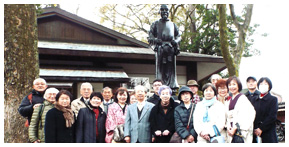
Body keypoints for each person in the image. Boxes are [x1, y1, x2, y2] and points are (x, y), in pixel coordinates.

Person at [148, 4, 181, 90]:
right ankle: (160, 85)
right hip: (160, 48)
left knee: (170, 69)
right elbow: (150, 36)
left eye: (166, 10)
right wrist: (155, 40)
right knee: (160, 68)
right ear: (160, 12)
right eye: (162, 10)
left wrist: (176, 41)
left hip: (170, 48)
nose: (164, 12)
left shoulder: (173, 24)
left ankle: (172, 85)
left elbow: (179, 36)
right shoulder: (155, 24)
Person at [225, 76, 255, 143]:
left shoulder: (243, 99)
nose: (232, 87)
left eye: (234, 84)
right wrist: (228, 127)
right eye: (229, 85)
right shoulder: (229, 100)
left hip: (240, 131)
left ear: (238, 85)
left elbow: (249, 115)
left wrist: (235, 128)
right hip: (230, 130)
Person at [250, 77, 278, 143]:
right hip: (255, 131)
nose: (263, 86)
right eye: (261, 84)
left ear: (269, 86)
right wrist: (255, 128)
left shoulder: (273, 99)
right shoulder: (254, 99)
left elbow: (272, 116)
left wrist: (261, 128)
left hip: (268, 131)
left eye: (265, 84)